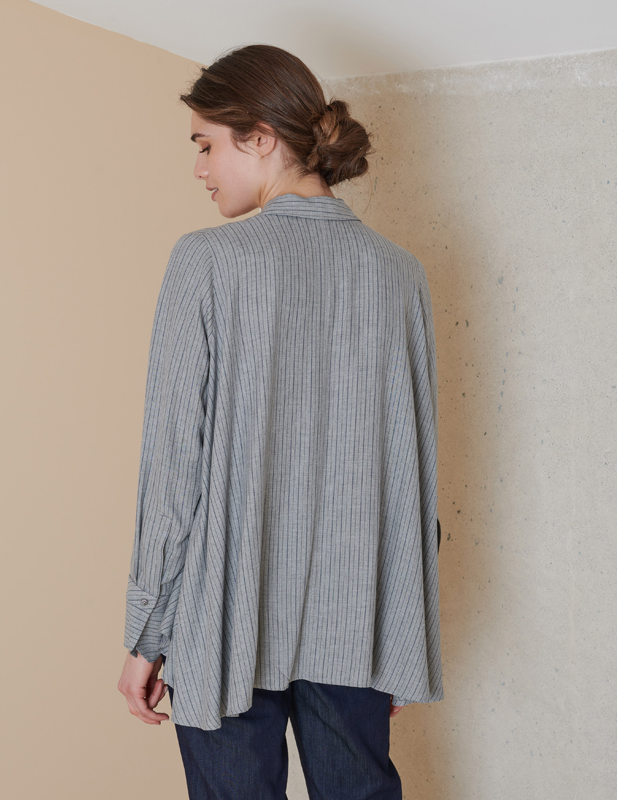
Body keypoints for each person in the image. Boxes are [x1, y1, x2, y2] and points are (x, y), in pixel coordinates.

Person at [117, 43, 443, 799]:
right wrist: (400, 635)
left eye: (206, 144)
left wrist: (147, 634)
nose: (198, 168)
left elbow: (175, 467)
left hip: (223, 619)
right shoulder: (399, 273)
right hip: (356, 617)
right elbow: (414, 470)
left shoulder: (208, 261)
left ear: (261, 137)